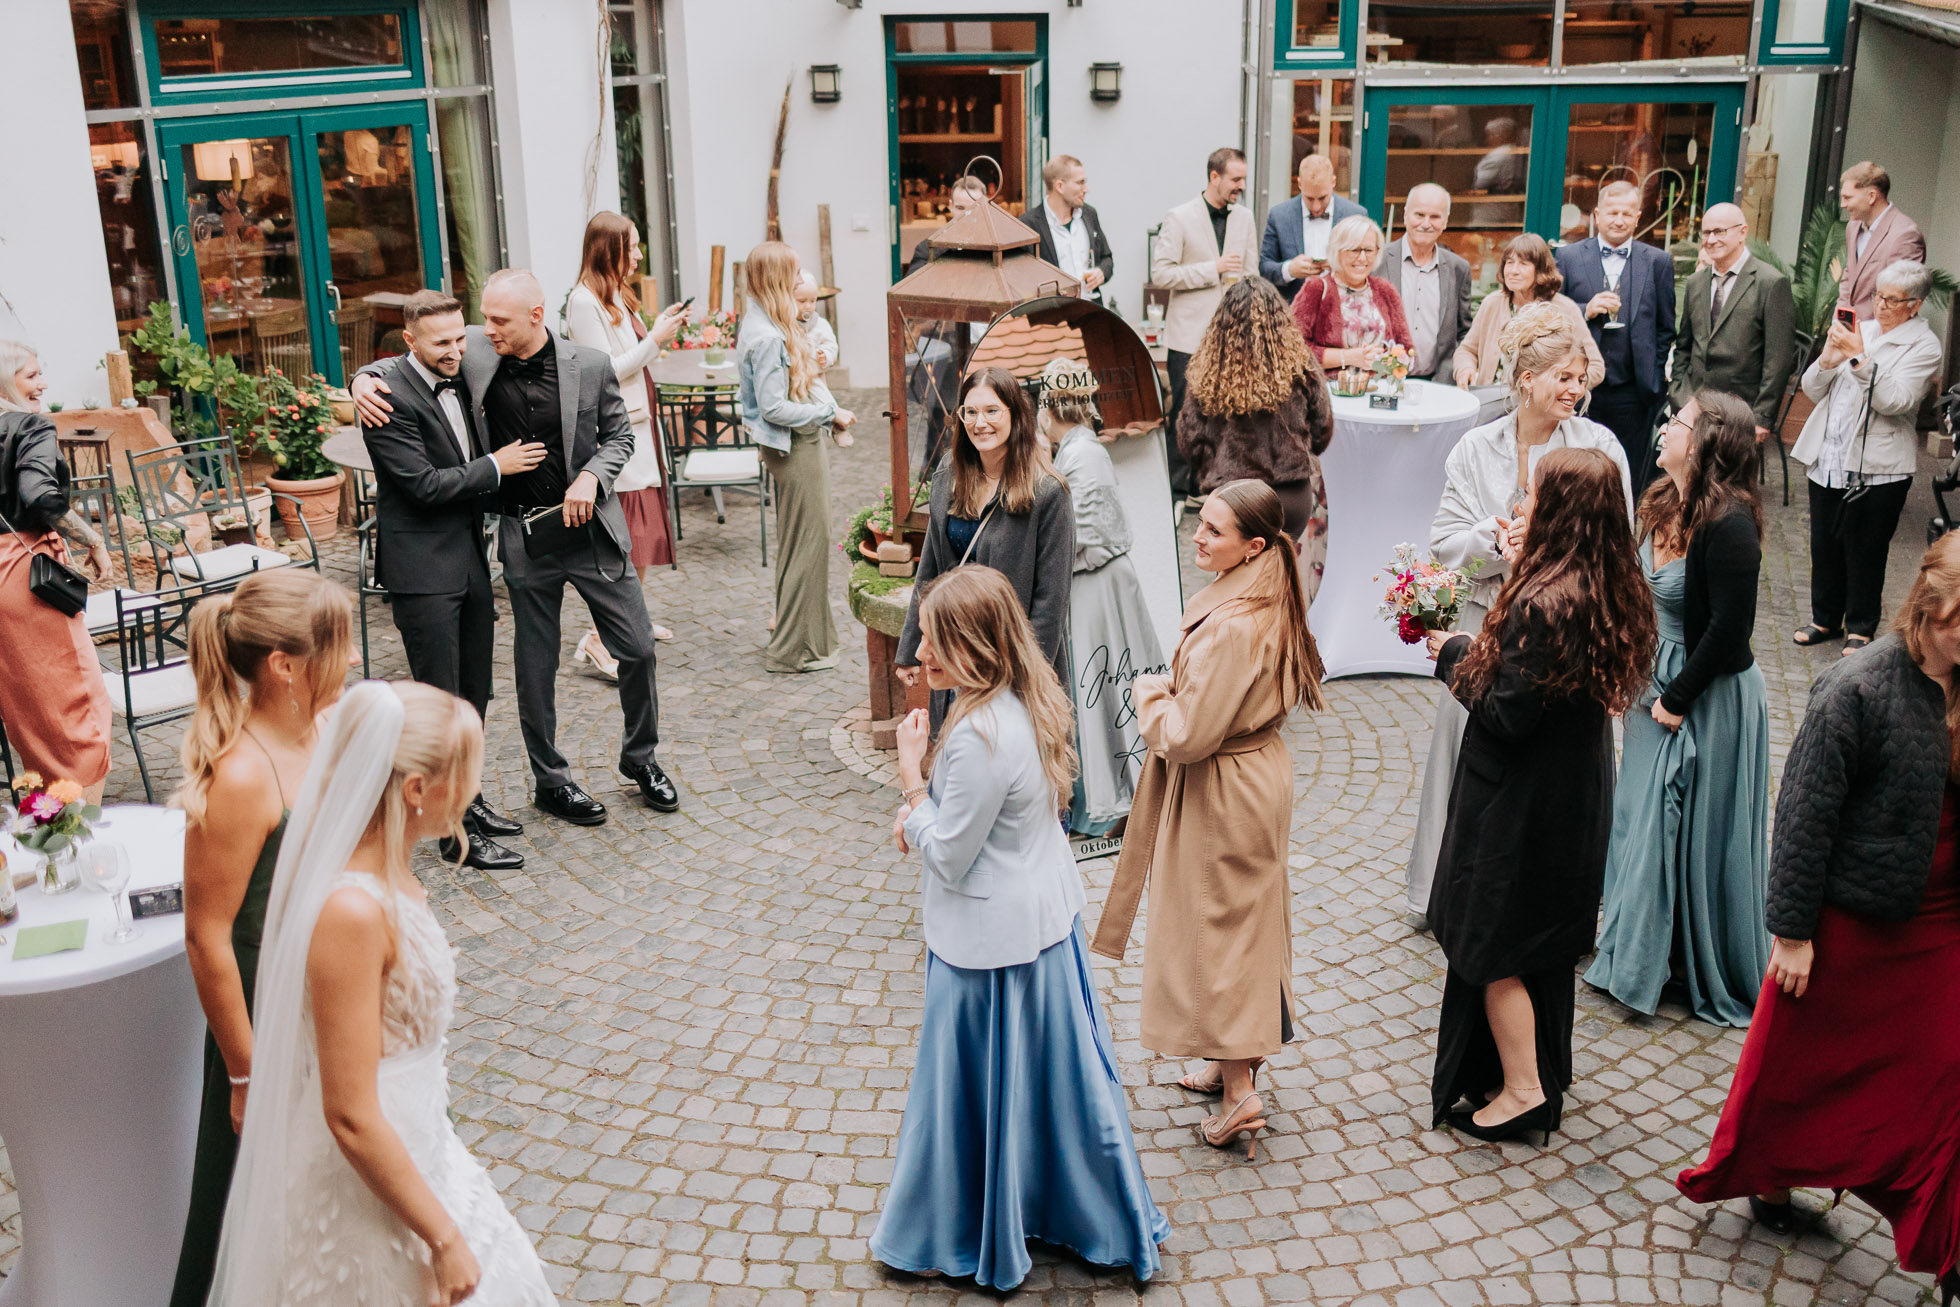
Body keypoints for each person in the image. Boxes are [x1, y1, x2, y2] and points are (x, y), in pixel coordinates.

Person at [204, 682, 556, 1307]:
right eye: (467, 772)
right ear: (416, 790)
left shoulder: (391, 877)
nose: (475, 789)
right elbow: (349, 1112)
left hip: (424, 1144)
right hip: (369, 1185)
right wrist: (443, 1238)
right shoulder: (351, 914)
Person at [872, 566, 1168, 1290]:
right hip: (1042, 923)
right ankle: (1075, 1209)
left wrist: (913, 786)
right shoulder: (1023, 697)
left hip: (991, 948)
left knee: (980, 1096)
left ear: (976, 644)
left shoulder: (975, 733)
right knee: (1060, 1090)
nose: (924, 653)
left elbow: (950, 855)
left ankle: (965, 1226)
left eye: (938, 641)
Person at [1677, 534, 1960, 1277]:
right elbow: (1803, 815)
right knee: (1796, 1077)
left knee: (1946, 1075)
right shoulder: (1857, 688)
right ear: (1931, 609)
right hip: (1849, 922)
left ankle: (1942, 1228)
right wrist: (1793, 933)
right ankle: (1773, 1176)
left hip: (1938, 922)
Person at [352, 268, 679, 825]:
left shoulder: (591, 365)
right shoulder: (477, 350)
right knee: (534, 667)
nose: (483, 330)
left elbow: (620, 435)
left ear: (536, 315)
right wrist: (360, 378)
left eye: (496, 320)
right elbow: (411, 355)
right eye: (481, 319)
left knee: (638, 648)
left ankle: (640, 759)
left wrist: (592, 477)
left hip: (592, 531)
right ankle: (551, 781)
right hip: (524, 537)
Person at [1424, 446, 1657, 1144]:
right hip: (1571, 789)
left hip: (1519, 802)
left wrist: (1453, 655)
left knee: (1491, 943)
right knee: (1539, 942)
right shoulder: (1611, 583)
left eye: (1533, 495)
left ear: (1557, 511)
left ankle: (1524, 1088)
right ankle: (1534, 1073)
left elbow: (1507, 712)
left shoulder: (1543, 600)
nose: (1522, 503)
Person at [1092, 480, 1327, 1160]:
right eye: (1201, 520)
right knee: (1238, 925)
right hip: (1251, 776)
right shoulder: (1268, 587)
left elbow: (1190, 733)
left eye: (1215, 530)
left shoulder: (1233, 624)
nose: (1198, 534)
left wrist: (1152, 694)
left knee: (1222, 932)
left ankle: (1238, 1095)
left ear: (1253, 545)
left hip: (1224, 784)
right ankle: (1227, 1064)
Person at [1406, 305, 1633, 919]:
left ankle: (1561, 896)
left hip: (1572, 633)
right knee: (1473, 754)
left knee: (1558, 766)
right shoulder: (1475, 449)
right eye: (1563, 376)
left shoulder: (1599, 446)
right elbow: (1444, 543)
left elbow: (1620, 547)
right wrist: (1493, 539)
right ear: (1525, 378)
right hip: (1488, 620)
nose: (1575, 389)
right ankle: (1453, 887)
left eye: (1581, 377)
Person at [167, 570, 355, 1307]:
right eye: (335, 645)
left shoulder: (320, 730)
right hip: (266, 1014)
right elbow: (205, 936)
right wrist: (245, 1073)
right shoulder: (241, 774)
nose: (352, 660)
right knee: (241, 1210)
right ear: (285, 666)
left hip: (323, 992)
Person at [1586, 392, 1771, 1028]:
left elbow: (1728, 630)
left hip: (1706, 693)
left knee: (1688, 826)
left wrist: (1674, 699)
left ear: (1707, 442)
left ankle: (1689, 962)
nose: (1665, 427)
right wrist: (1623, 672)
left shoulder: (1732, 524)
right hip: (1651, 680)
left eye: (1679, 422)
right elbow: (1636, 597)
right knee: (1639, 817)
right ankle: (1637, 953)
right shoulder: (1663, 500)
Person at [357, 290, 533, 871]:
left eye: (462, 338)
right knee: (439, 703)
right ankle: (450, 832)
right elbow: (425, 486)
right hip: (422, 570)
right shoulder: (384, 397)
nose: (458, 351)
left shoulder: (463, 360)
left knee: (474, 694)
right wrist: (495, 467)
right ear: (409, 343)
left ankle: (471, 802)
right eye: (442, 343)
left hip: (468, 561)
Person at [896, 367, 1073, 731]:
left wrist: (1021, 684)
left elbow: (1050, 606)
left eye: (992, 411)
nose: (981, 423)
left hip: (1012, 660)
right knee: (960, 754)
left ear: (1014, 414)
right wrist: (911, 647)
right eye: (970, 412)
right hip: (954, 649)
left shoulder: (1048, 493)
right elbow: (930, 569)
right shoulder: (949, 473)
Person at [1036, 358, 1165, 835]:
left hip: (1099, 584)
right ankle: (1105, 797)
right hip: (1093, 581)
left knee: (1104, 688)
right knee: (1099, 688)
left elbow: (1089, 533)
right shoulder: (1074, 449)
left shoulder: (1083, 454)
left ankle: (1117, 801)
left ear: (1050, 407)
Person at [1791, 259, 1943, 655]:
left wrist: (1859, 358)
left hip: (1878, 468)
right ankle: (1824, 618)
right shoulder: (1864, 330)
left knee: (1865, 548)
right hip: (1829, 455)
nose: (1881, 305)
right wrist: (1827, 360)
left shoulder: (1924, 346)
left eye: (1893, 300)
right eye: (1878, 295)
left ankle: (1860, 626)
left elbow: (1895, 401)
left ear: (1916, 304)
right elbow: (1813, 388)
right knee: (1824, 543)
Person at [563, 211, 691, 652]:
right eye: (631, 246)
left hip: (640, 427)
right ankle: (602, 636)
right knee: (630, 538)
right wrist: (655, 340)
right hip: (620, 433)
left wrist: (659, 330)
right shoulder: (583, 302)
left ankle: (633, 616)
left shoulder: (615, 293)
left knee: (644, 533)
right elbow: (604, 372)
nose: (638, 255)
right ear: (608, 249)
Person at [0, 341, 113, 803]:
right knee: (79, 711)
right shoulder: (30, 426)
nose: (42, 383)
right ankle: (78, 841)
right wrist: (94, 539)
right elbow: (41, 496)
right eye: (31, 375)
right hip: (26, 581)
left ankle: (48, 832)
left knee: (31, 717)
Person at [1176, 278, 1335, 601]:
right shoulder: (1301, 365)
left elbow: (1189, 441)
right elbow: (1322, 431)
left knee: (1233, 594)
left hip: (1232, 504)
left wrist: (1214, 468)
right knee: (1279, 585)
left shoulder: (1207, 370)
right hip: (1288, 501)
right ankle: (1281, 643)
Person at [739, 242, 856, 674]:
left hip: (790, 444)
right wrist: (830, 412)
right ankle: (795, 649)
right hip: (795, 445)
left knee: (798, 543)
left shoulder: (763, 320)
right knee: (810, 543)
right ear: (777, 280)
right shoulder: (768, 335)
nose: (800, 278)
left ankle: (803, 638)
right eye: (795, 273)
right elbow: (773, 408)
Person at [1151, 147, 1261, 497]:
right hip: (1189, 338)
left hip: (1234, 338)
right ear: (1214, 176)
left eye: (1243, 178)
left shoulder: (1245, 218)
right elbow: (1161, 273)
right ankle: (1176, 491)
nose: (1241, 185)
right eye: (1235, 179)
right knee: (1186, 415)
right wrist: (1210, 269)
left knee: (1228, 417)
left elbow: (1253, 274)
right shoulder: (1179, 217)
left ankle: (1218, 485)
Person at [1557, 181, 1678, 491]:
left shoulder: (1657, 261)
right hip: (1579, 387)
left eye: (1627, 213)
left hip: (1633, 392)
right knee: (1575, 467)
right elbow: (1553, 313)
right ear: (1597, 214)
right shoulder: (1569, 257)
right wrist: (1586, 309)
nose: (1619, 219)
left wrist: (1653, 372)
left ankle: (1624, 531)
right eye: (1612, 212)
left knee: (1627, 471)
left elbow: (1665, 326)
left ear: (1638, 217)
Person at [1668, 203, 1796, 444]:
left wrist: (1761, 417)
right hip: (1693, 409)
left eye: (1720, 231)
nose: (1711, 239)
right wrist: (1679, 394)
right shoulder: (1696, 282)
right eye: (1706, 233)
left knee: (1729, 481)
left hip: (1740, 413)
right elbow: (1684, 344)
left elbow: (1777, 359)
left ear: (1742, 232)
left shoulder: (1770, 283)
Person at [1452, 233, 1604, 390]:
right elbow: (1466, 350)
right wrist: (1465, 369)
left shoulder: (1565, 309)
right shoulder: (1492, 303)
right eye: (1509, 263)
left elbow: (1595, 367)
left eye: (1523, 264)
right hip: (1490, 401)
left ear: (1540, 270)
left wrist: (1562, 388)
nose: (1513, 271)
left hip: (1542, 409)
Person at [1376, 184, 1474, 383]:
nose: (1426, 223)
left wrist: (1459, 369)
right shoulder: (1377, 261)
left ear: (1445, 221)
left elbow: (1465, 333)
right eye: (1419, 214)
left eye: (1435, 217)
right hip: (1383, 382)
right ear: (1405, 216)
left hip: (1438, 385)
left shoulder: (1459, 269)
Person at [1289, 215, 1414, 371]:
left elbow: (1407, 351)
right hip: (1329, 390)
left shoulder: (1386, 290)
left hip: (1378, 391)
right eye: (1354, 250)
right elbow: (1291, 349)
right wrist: (1350, 357)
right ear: (1337, 251)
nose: (1362, 258)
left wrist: (1384, 360)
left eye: (1368, 250)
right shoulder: (1316, 288)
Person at [1260, 153, 1365, 304]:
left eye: (1322, 198)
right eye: (1309, 198)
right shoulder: (1279, 216)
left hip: (1343, 310)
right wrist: (1289, 270)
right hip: (1293, 313)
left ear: (1333, 182)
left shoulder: (1355, 215)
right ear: (1300, 184)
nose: (1316, 207)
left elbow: (1368, 267)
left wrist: (1341, 266)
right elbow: (1264, 267)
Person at [1838, 162, 1926, 323]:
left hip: (1878, 339)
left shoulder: (1905, 235)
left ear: (1872, 196)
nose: (1843, 204)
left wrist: (1866, 341)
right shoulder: (1853, 226)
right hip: (1846, 330)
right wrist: (1840, 323)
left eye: (1848, 198)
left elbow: (1899, 301)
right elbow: (1849, 277)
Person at [1020, 154, 1113, 303]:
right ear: (1060, 186)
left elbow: (1107, 258)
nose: (1086, 189)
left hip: (1092, 311)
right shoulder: (1028, 224)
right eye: (1080, 183)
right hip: (1053, 318)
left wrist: (1101, 272)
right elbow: (1023, 281)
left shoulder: (1089, 214)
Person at [903, 175, 987, 278]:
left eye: (973, 208)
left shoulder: (997, 250)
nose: (966, 215)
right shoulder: (928, 250)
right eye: (960, 208)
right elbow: (911, 287)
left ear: (984, 209)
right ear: (951, 206)